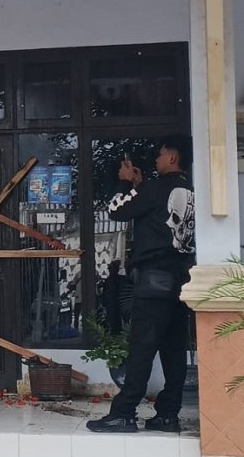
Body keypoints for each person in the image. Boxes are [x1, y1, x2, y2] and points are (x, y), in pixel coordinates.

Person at [87, 136, 195, 434]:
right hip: (183, 281)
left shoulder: (156, 188)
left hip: (154, 282)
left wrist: (125, 183)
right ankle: (167, 415)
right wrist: (140, 185)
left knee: (142, 348)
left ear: (172, 157)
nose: (156, 161)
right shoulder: (190, 191)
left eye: (160, 156)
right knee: (174, 351)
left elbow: (116, 210)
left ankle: (124, 412)